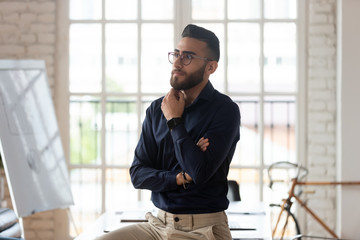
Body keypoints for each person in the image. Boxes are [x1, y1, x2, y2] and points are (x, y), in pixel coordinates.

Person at [96, 24, 240, 240]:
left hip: (202, 230)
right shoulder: (156, 109)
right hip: (157, 225)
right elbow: (138, 174)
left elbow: (199, 173)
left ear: (211, 67)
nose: (178, 62)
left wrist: (174, 121)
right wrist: (180, 177)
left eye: (188, 56)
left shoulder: (225, 110)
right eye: (176, 54)